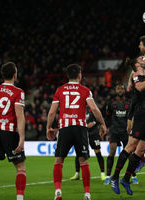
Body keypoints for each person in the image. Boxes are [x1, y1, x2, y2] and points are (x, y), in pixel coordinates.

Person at [46, 64, 107, 200]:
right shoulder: (85, 90)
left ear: (68, 75)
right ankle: (87, 194)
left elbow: (51, 112)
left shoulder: (60, 90)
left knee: (58, 161)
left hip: (65, 128)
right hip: (80, 128)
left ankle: (58, 191)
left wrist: (48, 127)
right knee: (84, 161)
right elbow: (95, 110)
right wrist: (102, 123)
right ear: (79, 75)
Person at [110, 57, 145, 195]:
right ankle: (114, 177)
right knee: (131, 146)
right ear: (137, 64)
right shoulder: (137, 76)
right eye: (141, 59)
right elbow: (139, 87)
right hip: (142, 116)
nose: (144, 60)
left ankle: (126, 179)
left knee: (140, 151)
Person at [0, 62, 26, 200]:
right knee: (20, 167)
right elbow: (20, 116)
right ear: (15, 75)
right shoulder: (18, 92)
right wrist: (22, 138)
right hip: (9, 132)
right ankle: (19, 198)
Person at [104, 84, 139, 185]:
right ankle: (107, 177)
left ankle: (134, 176)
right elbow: (107, 117)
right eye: (118, 88)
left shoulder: (129, 102)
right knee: (112, 152)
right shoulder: (111, 103)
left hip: (126, 132)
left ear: (124, 90)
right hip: (114, 131)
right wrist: (105, 128)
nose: (120, 90)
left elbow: (133, 117)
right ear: (115, 90)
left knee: (129, 154)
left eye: (121, 88)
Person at [70, 108, 106, 181]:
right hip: (82, 133)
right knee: (79, 153)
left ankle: (102, 173)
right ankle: (77, 173)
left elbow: (100, 118)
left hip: (93, 133)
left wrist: (94, 123)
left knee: (98, 152)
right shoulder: (79, 109)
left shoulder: (93, 109)